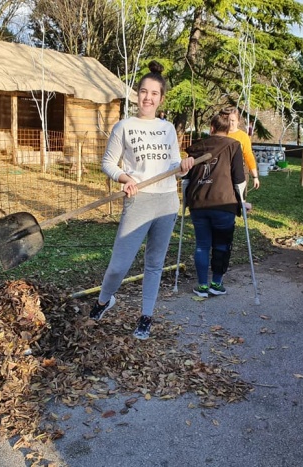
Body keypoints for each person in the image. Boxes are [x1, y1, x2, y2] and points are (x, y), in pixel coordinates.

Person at [88, 60, 195, 340]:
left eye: (154, 93)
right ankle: (104, 300)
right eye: (143, 92)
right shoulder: (124, 126)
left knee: (154, 263)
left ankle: (146, 316)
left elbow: (173, 162)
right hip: (139, 201)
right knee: (119, 265)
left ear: (161, 98)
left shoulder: (168, 128)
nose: (148, 97)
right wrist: (125, 178)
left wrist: (182, 166)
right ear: (137, 94)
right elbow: (108, 162)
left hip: (166, 202)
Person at [183, 109, 246, 297]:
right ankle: (216, 284)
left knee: (202, 245)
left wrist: (186, 201)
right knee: (222, 245)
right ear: (228, 129)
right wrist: (242, 201)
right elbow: (239, 179)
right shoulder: (234, 146)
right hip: (224, 203)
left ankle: (202, 285)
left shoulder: (196, 147)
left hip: (198, 204)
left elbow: (186, 179)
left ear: (211, 128)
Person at [227, 107, 260, 191]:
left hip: (240, 171)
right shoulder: (221, 134)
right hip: (224, 172)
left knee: (240, 199)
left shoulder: (243, 136)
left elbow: (248, 156)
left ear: (238, 121)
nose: (230, 123)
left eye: (233, 120)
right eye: (228, 120)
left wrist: (255, 176)